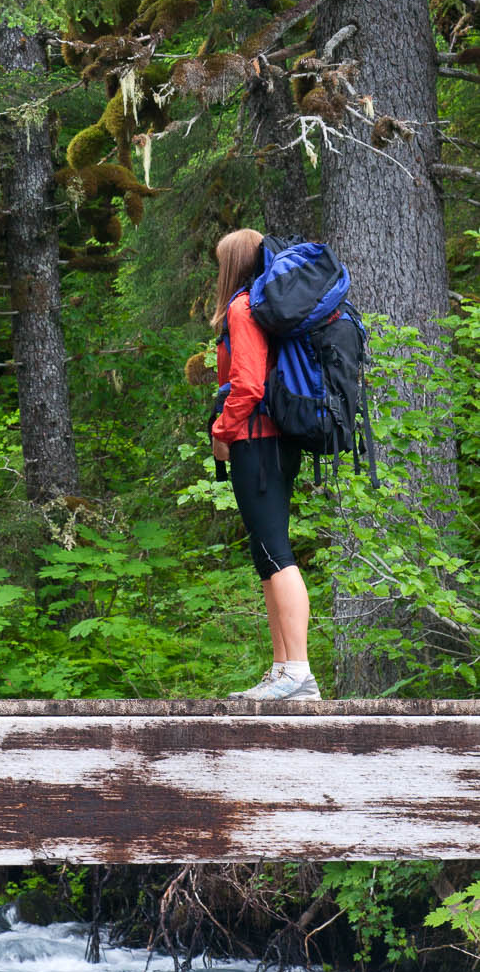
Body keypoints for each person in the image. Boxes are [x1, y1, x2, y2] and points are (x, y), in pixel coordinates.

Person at [209, 227, 320, 703]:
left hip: (257, 442)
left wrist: (221, 432)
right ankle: (284, 672)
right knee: (266, 558)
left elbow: (249, 386)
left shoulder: (242, 308)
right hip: (271, 443)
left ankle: (298, 671)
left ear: (232, 263)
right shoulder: (260, 306)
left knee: (276, 553)